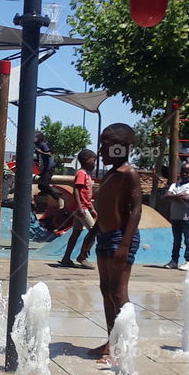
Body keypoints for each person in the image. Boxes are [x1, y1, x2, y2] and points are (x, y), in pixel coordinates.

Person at [81, 123, 142, 360]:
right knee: (105, 289)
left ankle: (124, 345)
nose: (101, 150)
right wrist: (91, 234)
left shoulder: (129, 173)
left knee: (118, 292)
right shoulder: (110, 174)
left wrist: (125, 244)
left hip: (119, 238)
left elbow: (136, 209)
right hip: (105, 236)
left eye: (106, 145)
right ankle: (111, 341)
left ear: (121, 147)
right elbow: (106, 211)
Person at [59, 149, 97, 268]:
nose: (95, 163)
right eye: (93, 160)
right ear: (86, 161)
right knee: (93, 231)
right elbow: (76, 190)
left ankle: (66, 257)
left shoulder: (86, 175)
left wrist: (92, 208)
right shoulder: (81, 173)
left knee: (76, 233)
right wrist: (80, 207)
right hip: (81, 209)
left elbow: (87, 194)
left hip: (84, 207)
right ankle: (82, 257)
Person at [162, 163, 189, 270]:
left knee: (188, 240)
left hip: (187, 219)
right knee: (176, 240)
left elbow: (187, 198)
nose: (184, 174)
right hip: (175, 217)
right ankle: (174, 261)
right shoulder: (175, 185)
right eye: (183, 171)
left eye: (187, 172)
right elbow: (166, 196)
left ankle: (188, 260)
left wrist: (174, 196)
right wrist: (179, 196)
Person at [33, 130, 59, 201]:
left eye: (35, 137)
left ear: (39, 138)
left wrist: (40, 152)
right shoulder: (36, 146)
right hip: (44, 168)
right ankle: (47, 192)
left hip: (49, 168)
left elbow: (49, 154)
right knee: (41, 185)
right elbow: (39, 157)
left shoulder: (43, 145)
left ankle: (58, 197)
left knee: (43, 185)